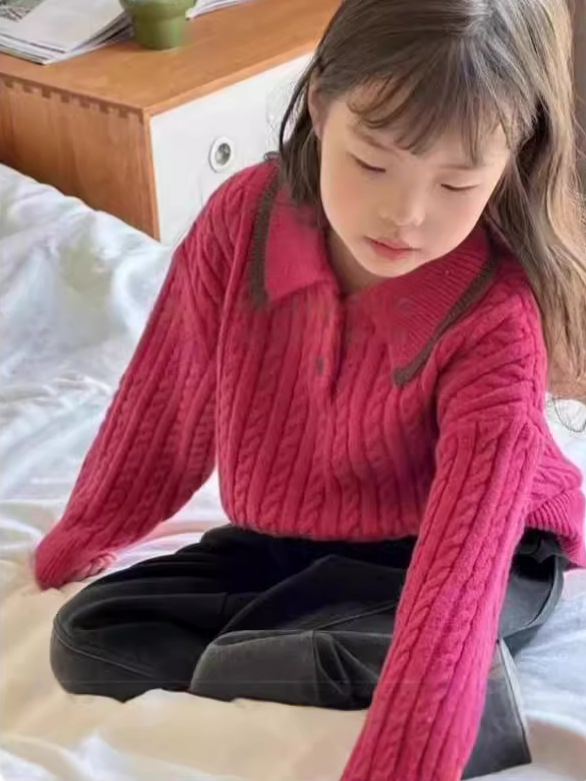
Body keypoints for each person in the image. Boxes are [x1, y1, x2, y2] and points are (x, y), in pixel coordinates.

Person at [35, 0, 586, 779]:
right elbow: (168, 399)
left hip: (482, 551)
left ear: (509, 163)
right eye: (373, 162)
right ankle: (304, 646)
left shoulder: (493, 317)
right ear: (322, 105)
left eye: (457, 183)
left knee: (427, 630)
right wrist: (84, 532)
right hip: (296, 535)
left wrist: (404, 760)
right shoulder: (242, 218)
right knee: (88, 637)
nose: (407, 214)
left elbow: (462, 566)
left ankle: (438, 682)